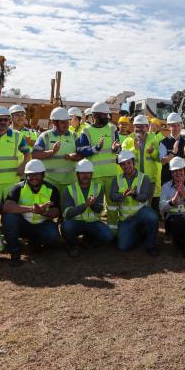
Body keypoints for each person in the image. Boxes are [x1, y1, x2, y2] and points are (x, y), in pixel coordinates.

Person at [1, 159, 61, 266]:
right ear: (26, 175)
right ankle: (15, 252)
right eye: (30, 174)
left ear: (43, 175)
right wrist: (32, 209)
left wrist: (43, 212)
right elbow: (7, 207)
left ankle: (35, 242)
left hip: (42, 224)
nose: (34, 177)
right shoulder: (17, 188)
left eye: (37, 174)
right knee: (8, 218)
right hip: (23, 225)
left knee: (53, 236)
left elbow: (56, 212)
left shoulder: (52, 189)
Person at [75, 101, 122, 234]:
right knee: (94, 205)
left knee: (112, 205)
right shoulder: (86, 130)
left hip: (111, 174)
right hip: (94, 175)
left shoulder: (112, 128)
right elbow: (81, 150)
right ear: (95, 115)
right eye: (103, 115)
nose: (107, 117)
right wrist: (96, 148)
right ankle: (94, 233)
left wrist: (116, 148)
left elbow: (119, 148)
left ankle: (113, 232)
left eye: (107, 115)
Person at [110, 150, 159, 255]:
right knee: (123, 247)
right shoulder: (116, 179)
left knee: (153, 217)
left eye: (129, 163)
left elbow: (144, 197)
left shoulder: (144, 178)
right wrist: (122, 196)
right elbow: (112, 196)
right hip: (126, 219)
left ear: (134, 163)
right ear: (120, 166)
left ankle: (151, 245)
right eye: (123, 164)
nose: (126, 166)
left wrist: (134, 195)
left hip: (141, 213)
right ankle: (139, 233)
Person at [61, 159, 113, 257]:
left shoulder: (98, 187)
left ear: (92, 174)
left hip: (93, 223)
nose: (85, 175)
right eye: (82, 173)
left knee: (108, 236)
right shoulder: (69, 189)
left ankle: (88, 242)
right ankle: (74, 246)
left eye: (88, 173)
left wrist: (93, 204)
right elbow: (68, 213)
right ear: (77, 174)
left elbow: (99, 209)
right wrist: (85, 205)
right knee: (66, 227)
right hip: (76, 223)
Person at [31, 107, 80, 196]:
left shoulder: (74, 136)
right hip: (50, 182)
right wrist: (52, 152)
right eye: (62, 122)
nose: (66, 125)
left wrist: (72, 157)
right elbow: (34, 155)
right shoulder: (45, 136)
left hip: (70, 182)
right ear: (54, 122)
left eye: (67, 122)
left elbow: (81, 155)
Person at [159, 157, 185, 256]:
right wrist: (172, 202)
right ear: (171, 173)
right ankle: (177, 242)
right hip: (175, 221)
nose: (178, 173)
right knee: (178, 222)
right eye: (175, 171)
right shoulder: (166, 187)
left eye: (180, 170)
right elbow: (161, 207)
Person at [121, 114, 162, 207]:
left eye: (142, 126)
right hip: (134, 179)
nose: (139, 129)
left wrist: (152, 152)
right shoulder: (128, 140)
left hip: (150, 179)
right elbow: (123, 158)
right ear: (133, 127)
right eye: (137, 126)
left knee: (148, 204)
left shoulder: (154, 139)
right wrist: (134, 149)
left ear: (147, 127)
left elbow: (159, 158)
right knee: (135, 204)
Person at [159, 112, 185, 194]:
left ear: (181, 125)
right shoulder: (163, 142)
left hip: (183, 180)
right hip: (168, 180)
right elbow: (163, 161)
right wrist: (173, 152)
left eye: (178, 125)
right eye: (173, 125)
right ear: (168, 127)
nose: (176, 128)